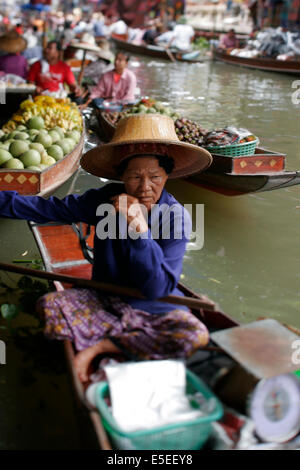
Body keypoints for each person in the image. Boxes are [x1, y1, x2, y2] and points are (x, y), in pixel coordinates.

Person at [0, 114, 212, 382]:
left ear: (167, 175)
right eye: (135, 176)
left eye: (155, 176)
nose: (145, 187)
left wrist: (139, 231)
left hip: (153, 308)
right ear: (121, 175)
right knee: (49, 305)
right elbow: (46, 208)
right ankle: (130, 343)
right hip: (102, 299)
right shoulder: (104, 201)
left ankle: (102, 346)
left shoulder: (176, 218)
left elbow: (156, 289)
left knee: (195, 335)